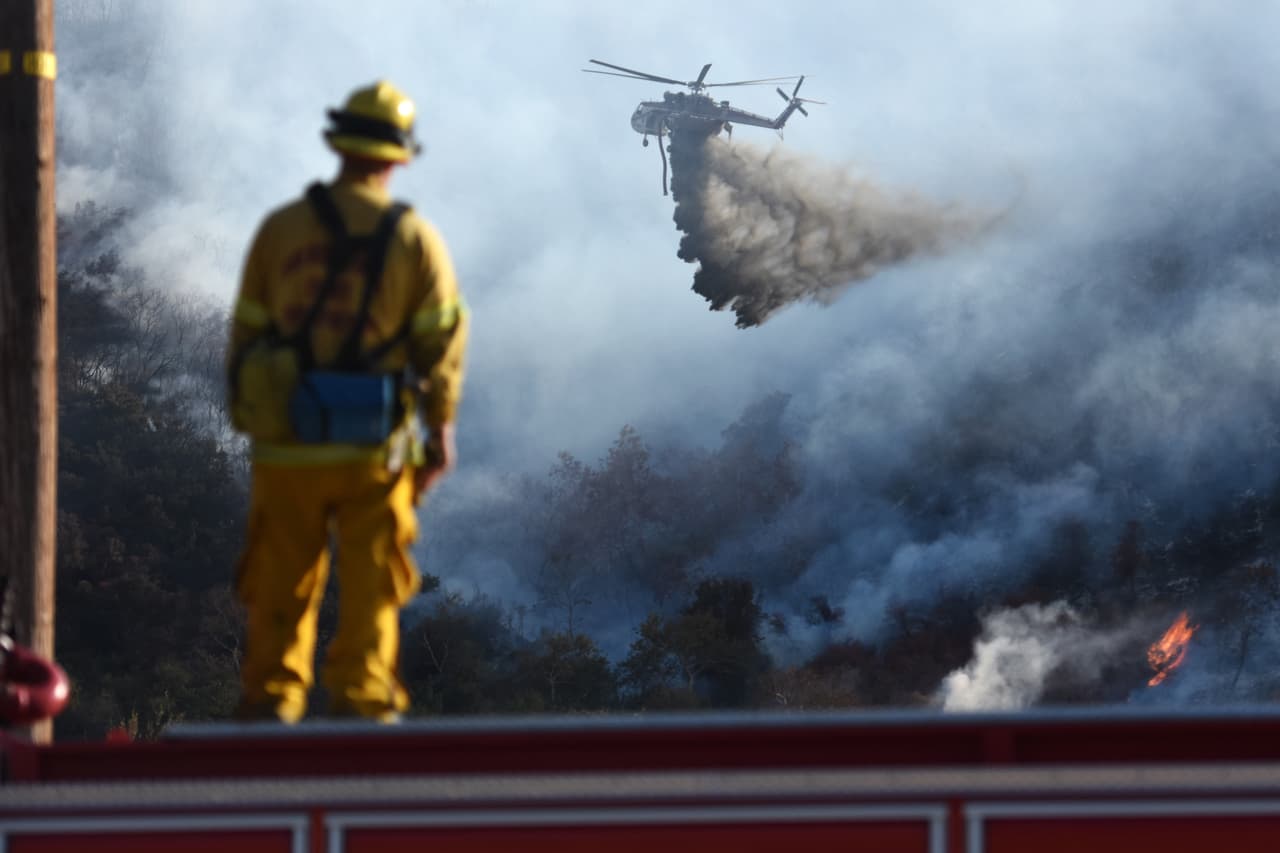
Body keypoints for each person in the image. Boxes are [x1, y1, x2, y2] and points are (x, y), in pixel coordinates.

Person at [226, 80, 468, 723]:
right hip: (374, 448)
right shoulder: (416, 240)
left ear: (339, 145)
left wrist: (248, 417)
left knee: (281, 577)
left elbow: (246, 333)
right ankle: (362, 705)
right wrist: (440, 431)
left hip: (288, 443)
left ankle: (272, 700)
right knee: (371, 583)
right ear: (398, 157)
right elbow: (440, 347)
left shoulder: (281, 230)